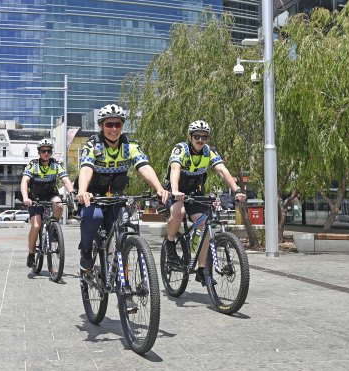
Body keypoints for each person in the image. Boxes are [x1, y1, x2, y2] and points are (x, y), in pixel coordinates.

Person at [76, 104, 169, 275]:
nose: (113, 129)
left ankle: (123, 284)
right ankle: (86, 251)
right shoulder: (93, 146)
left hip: (116, 196)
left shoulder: (130, 146)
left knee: (123, 227)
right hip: (92, 196)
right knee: (93, 216)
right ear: (101, 126)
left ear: (122, 126)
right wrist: (82, 190)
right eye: (109, 125)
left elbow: (144, 167)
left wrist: (159, 188)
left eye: (117, 124)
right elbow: (86, 168)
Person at [164, 120, 247, 285]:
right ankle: (170, 242)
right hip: (176, 190)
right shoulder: (181, 149)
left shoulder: (209, 151)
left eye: (204, 137)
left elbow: (222, 171)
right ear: (190, 137)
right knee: (179, 212)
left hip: (195, 193)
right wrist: (175, 190)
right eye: (197, 136)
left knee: (203, 225)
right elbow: (175, 169)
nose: (201, 140)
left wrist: (237, 190)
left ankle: (201, 268)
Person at [21, 138, 75, 268]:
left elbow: (66, 180)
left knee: (59, 203)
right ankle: (31, 253)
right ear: (39, 152)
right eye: (43, 151)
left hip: (50, 195)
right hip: (35, 198)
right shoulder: (33, 165)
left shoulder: (56, 165)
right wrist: (25, 198)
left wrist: (72, 193)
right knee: (36, 225)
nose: (46, 153)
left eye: (49, 151)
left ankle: (53, 230)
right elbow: (24, 181)